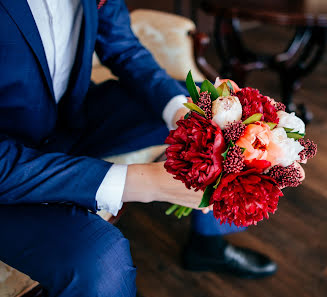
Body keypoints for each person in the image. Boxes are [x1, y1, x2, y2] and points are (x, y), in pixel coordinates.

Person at [0, 0, 277, 296]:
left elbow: (123, 48)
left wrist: (182, 115)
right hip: (8, 162)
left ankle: (208, 241)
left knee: (207, 115)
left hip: (71, 115)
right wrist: (140, 183)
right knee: (100, 262)